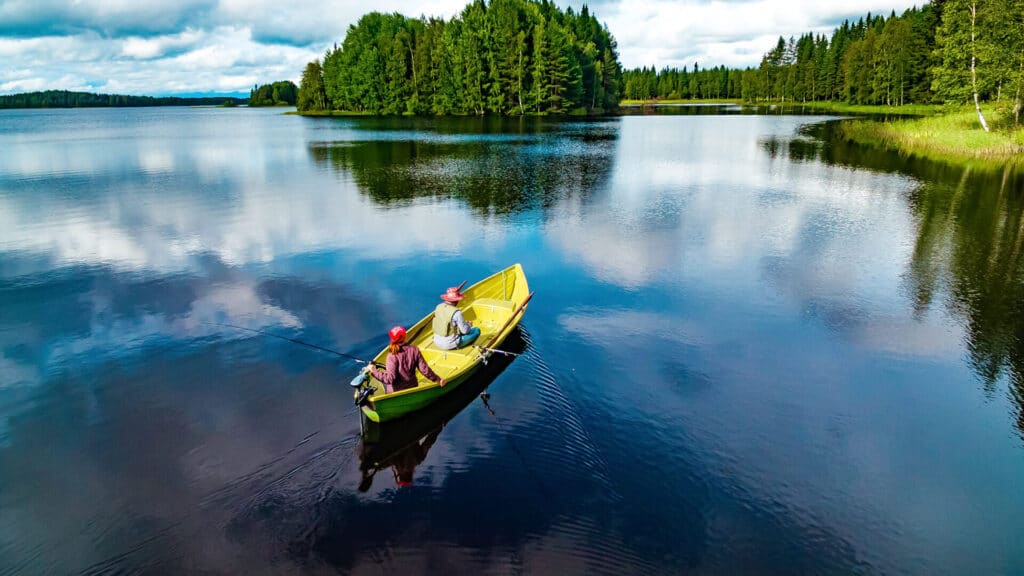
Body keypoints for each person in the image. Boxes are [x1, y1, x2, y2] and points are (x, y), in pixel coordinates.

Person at [368, 326, 445, 393]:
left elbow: (389, 379)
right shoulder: (414, 350)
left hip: (395, 392)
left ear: (392, 338)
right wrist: (438, 380)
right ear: (404, 337)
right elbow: (425, 370)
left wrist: (373, 370)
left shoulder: (391, 356)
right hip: (412, 388)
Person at [432, 285, 481, 350]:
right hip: (449, 344)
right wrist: (469, 325)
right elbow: (465, 331)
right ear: (457, 300)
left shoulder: (438, 307)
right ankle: (466, 346)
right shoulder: (457, 313)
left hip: (436, 341)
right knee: (476, 330)